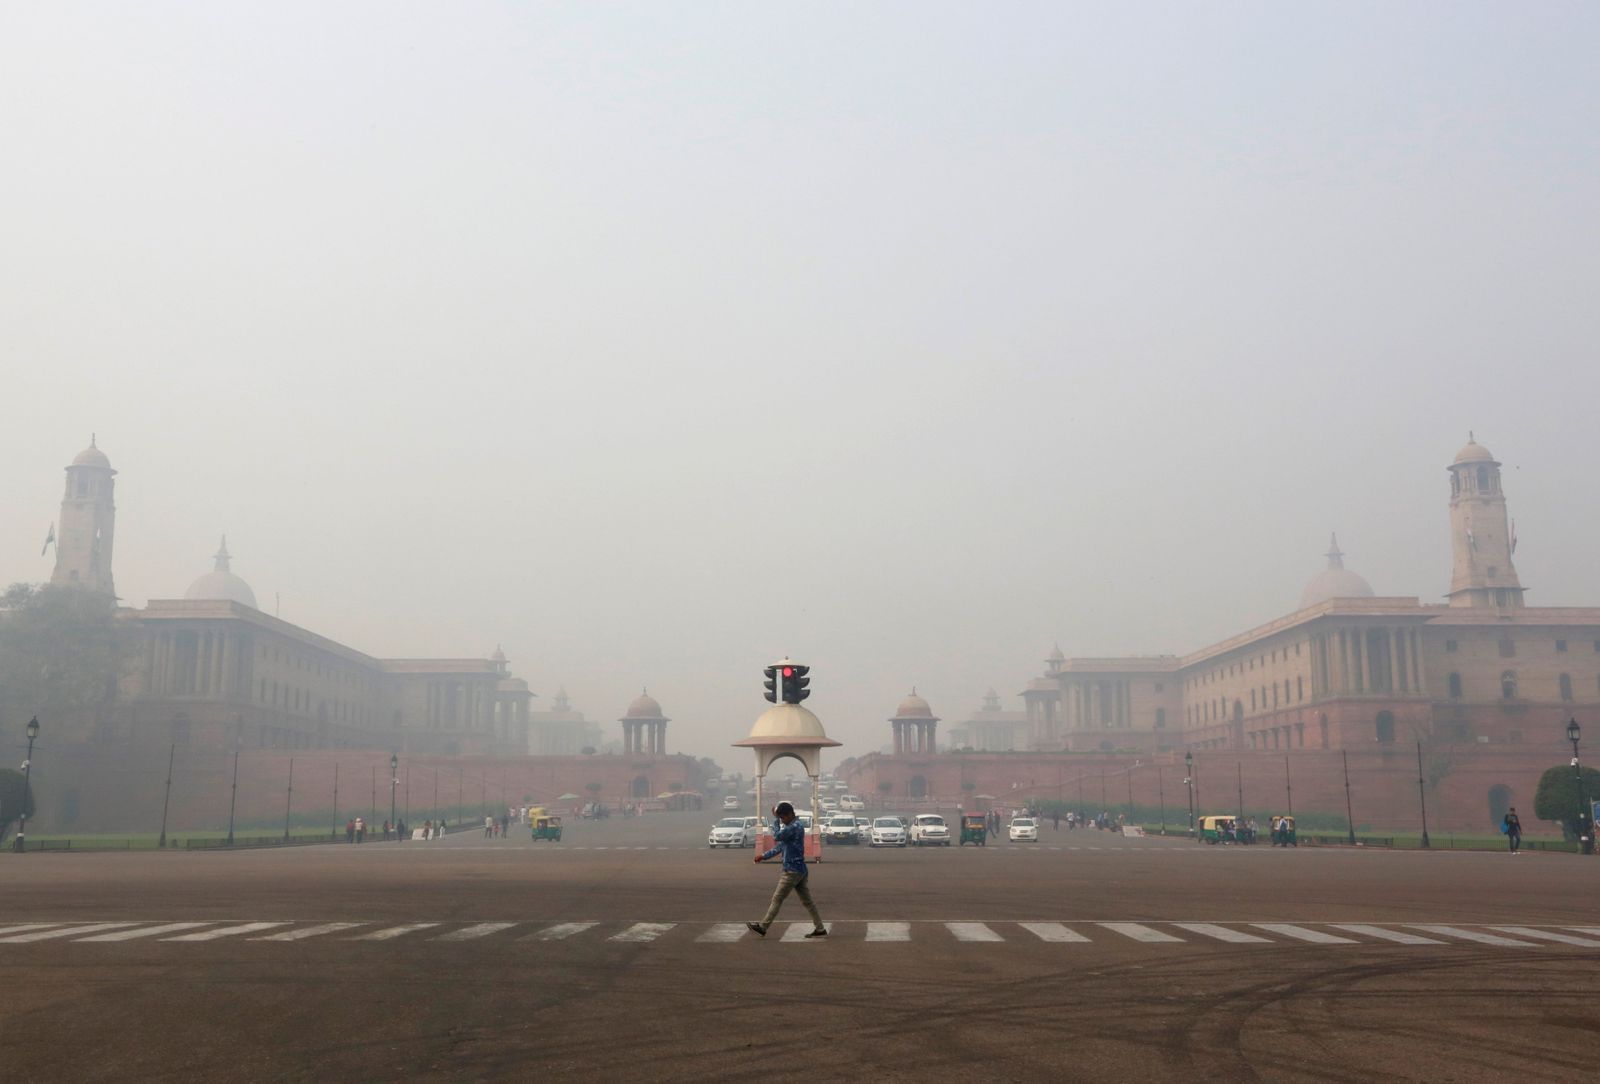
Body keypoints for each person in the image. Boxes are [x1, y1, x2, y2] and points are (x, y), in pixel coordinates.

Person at [746, 802, 826, 939]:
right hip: (799, 869)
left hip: (792, 870)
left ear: (789, 815)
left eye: (783, 818)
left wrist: (775, 819)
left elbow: (777, 837)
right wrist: (763, 856)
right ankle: (820, 928)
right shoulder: (793, 826)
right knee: (807, 901)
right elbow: (780, 847)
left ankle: (763, 927)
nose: (782, 820)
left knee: (777, 898)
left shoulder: (794, 827)